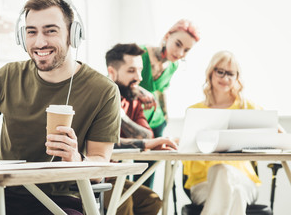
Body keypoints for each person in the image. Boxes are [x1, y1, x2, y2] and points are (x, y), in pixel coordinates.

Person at [0, 0, 120, 215]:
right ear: (22, 36)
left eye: (51, 30)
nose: (39, 42)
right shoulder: (8, 76)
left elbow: (99, 166)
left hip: (60, 203)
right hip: (0, 195)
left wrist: (75, 158)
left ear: (73, 35)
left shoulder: (103, 90)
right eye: (31, 32)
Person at [183, 50, 264, 215]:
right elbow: (186, 148)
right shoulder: (194, 111)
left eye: (230, 74)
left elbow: (276, 132)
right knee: (234, 190)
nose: (225, 78)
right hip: (202, 182)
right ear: (211, 72)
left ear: (237, 78)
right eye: (220, 71)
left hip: (244, 179)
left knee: (222, 170)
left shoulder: (246, 107)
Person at [103, 43, 177, 215]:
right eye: (131, 71)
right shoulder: (100, 97)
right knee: (123, 201)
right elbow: (106, 144)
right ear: (112, 72)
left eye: (140, 70)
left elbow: (147, 134)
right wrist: (117, 112)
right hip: (90, 177)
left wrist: (123, 116)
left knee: (151, 200)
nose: (139, 77)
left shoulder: (133, 99)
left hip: (113, 176)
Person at [135, 19, 200, 188]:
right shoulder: (140, 53)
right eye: (178, 44)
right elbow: (115, 82)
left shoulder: (173, 66)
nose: (180, 53)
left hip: (156, 123)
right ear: (167, 36)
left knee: (148, 173)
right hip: (133, 121)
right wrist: (138, 90)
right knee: (127, 169)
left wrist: (165, 117)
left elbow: (161, 90)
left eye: (186, 50)